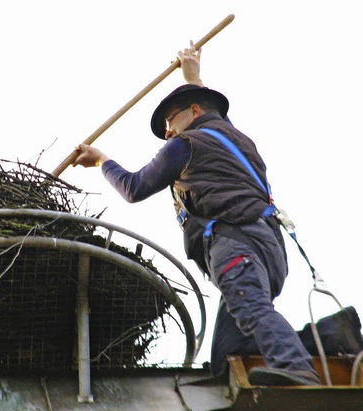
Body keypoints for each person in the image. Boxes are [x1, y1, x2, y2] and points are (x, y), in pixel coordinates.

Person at [73, 42, 321, 386]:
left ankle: (298, 369)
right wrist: (194, 75)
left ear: (192, 111)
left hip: (235, 247)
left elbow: (134, 188)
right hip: (270, 249)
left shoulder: (185, 145)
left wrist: (101, 161)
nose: (168, 132)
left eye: (169, 122)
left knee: (253, 311)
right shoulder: (234, 138)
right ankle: (323, 342)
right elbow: (213, 112)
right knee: (228, 355)